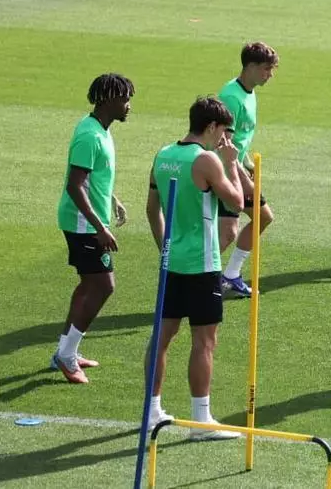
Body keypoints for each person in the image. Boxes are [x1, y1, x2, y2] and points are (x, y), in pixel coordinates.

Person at [145, 97, 246, 440]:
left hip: (172, 264)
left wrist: (165, 248)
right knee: (204, 342)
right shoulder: (207, 160)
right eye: (223, 132)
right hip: (202, 265)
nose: (224, 139)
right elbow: (237, 202)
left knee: (162, 337)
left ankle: (151, 412)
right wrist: (231, 163)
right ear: (211, 126)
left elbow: (152, 208)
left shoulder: (163, 155)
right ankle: (201, 422)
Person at [52, 74, 135, 384]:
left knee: (89, 285)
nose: (129, 105)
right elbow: (75, 185)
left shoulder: (100, 130)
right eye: (124, 99)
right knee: (103, 285)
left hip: (88, 221)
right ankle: (66, 356)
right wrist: (100, 227)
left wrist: (113, 199)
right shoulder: (90, 135)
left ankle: (66, 350)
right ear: (108, 99)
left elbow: (93, 176)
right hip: (82, 224)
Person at [217, 42, 278, 299]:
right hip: (225, 170)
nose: (270, 75)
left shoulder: (248, 92)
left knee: (227, 232)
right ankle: (207, 277)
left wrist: (247, 163)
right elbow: (224, 143)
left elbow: (239, 139)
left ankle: (224, 276)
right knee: (261, 217)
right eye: (266, 69)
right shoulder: (232, 96)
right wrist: (242, 176)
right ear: (251, 66)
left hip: (233, 167)